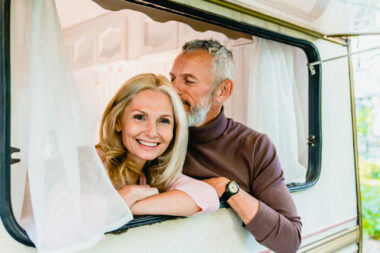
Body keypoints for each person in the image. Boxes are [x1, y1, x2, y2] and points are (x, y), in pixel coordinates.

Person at [170, 40, 302, 252]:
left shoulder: (254, 147)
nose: (173, 89)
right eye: (172, 79)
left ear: (223, 90)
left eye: (188, 81)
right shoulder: (158, 139)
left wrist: (227, 188)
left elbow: (290, 240)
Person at [96, 73, 219, 217]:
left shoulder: (153, 171)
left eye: (164, 121)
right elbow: (81, 217)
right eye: (140, 117)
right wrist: (130, 194)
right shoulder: (89, 162)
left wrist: (130, 204)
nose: (152, 132)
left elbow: (207, 197)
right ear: (118, 121)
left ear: (174, 129)